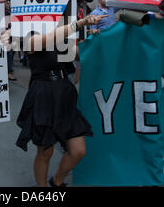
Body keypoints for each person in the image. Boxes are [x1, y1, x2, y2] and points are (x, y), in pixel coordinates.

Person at [15, 13, 108, 187]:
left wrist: (95, 39)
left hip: (64, 93)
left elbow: (79, 55)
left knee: (78, 151)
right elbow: (49, 38)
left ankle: (57, 180)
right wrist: (81, 23)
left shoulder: (60, 36)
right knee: (45, 152)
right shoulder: (30, 37)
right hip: (43, 96)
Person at [0, 0, 16, 81]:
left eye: (4, 2)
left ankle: (9, 72)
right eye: (1, 2)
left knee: (9, 54)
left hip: (7, 38)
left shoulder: (9, 13)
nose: (3, 4)